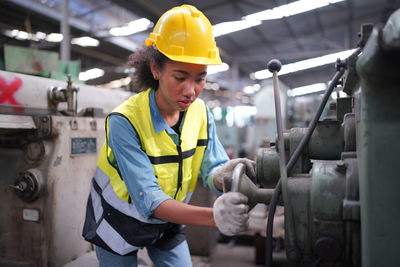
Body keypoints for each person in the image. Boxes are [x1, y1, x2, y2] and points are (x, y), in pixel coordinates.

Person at [82, 5, 255, 267]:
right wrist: (215, 217)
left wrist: (225, 175)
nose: (191, 91)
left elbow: (212, 169)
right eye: (180, 77)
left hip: (168, 222)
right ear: (155, 69)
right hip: (117, 221)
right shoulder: (124, 121)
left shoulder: (201, 114)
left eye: (200, 78)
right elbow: (149, 200)